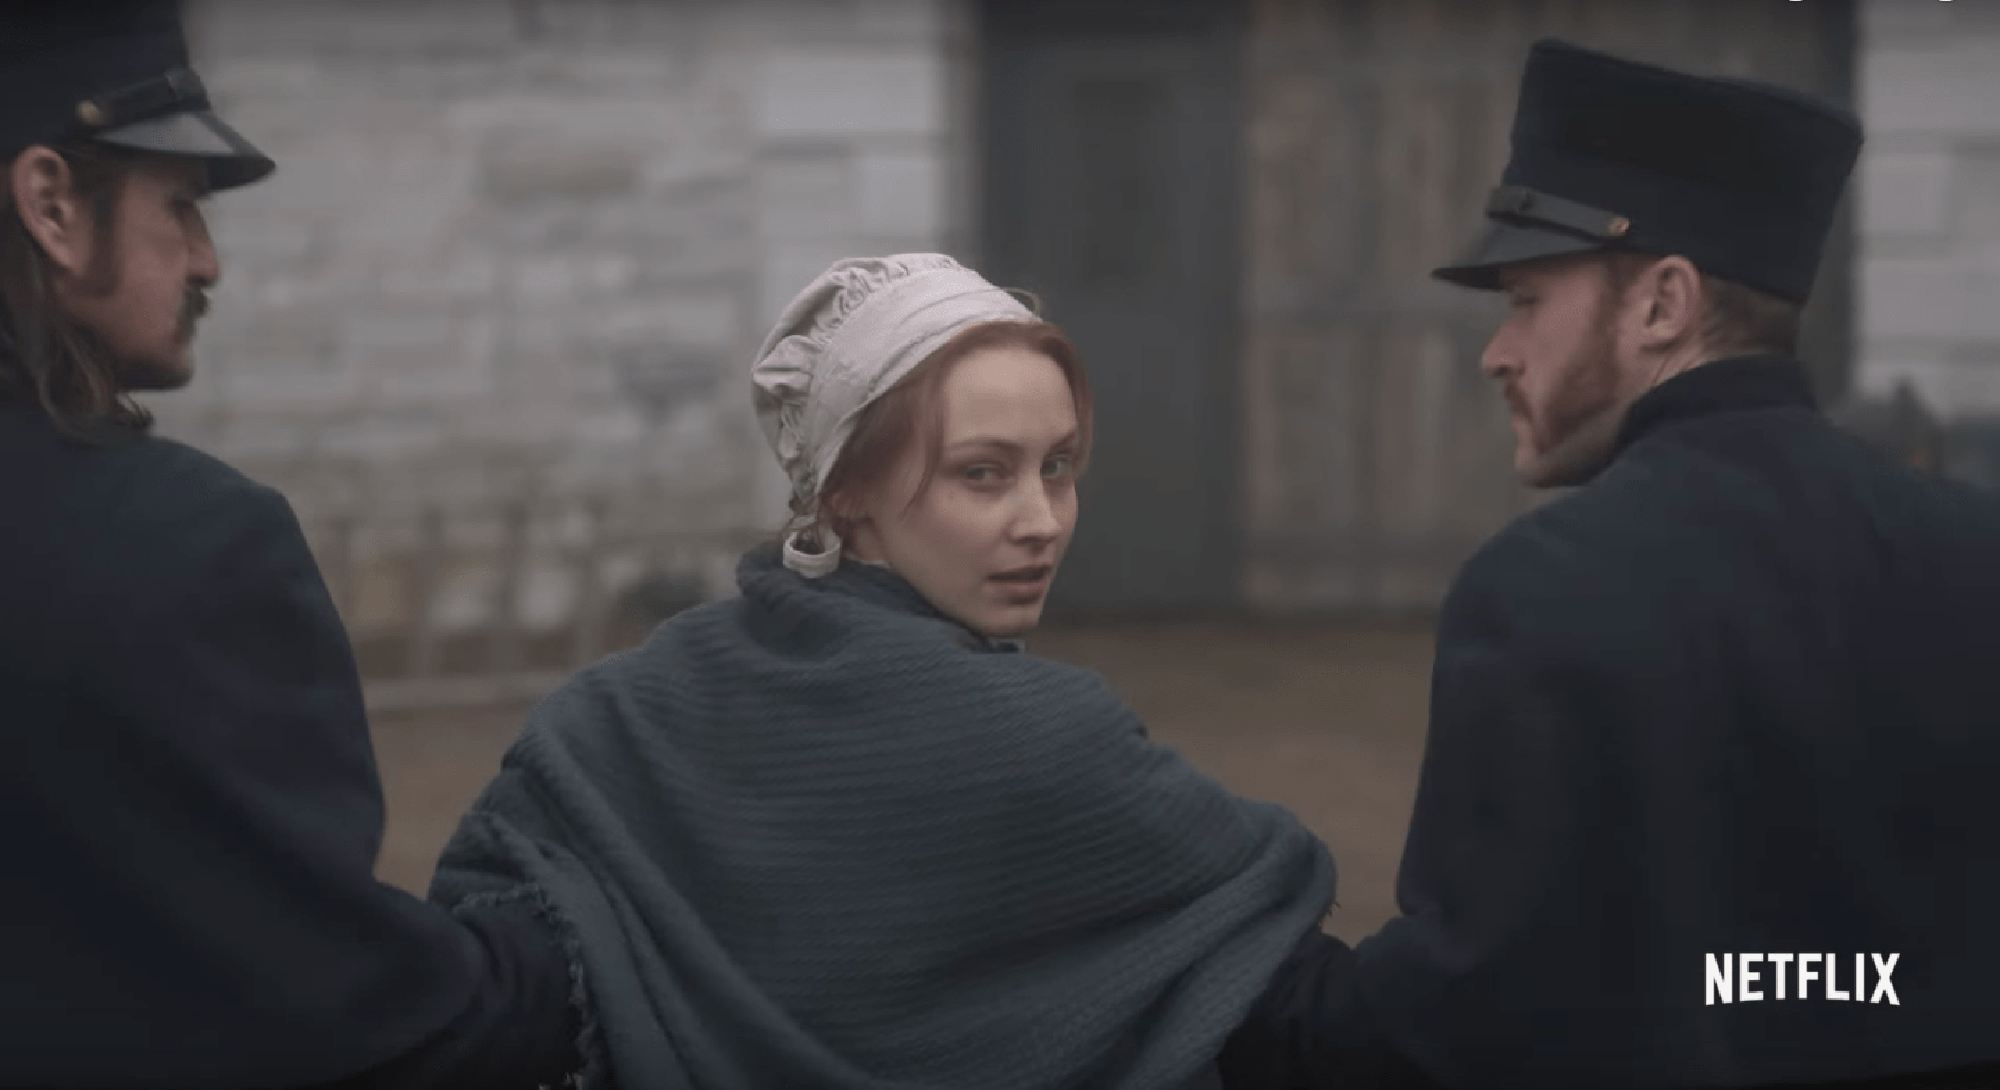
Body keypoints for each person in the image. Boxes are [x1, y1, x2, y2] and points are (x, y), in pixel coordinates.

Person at [1218, 39, 2000, 1090]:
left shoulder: (1547, 584)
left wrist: (1237, 986)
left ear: (1662, 304)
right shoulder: (1976, 546)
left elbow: (1465, 1019)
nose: (1497, 352)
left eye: (1525, 300)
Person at [430, 253, 1340, 1089]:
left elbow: (475, 989)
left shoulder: (614, 709)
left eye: (1058, 467)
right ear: (843, 487)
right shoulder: (1043, 737)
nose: (1042, 521)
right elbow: (1288, 981)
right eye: (983, 474)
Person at [0, 5, 582, 1086]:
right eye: (180, 205)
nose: (208, 261)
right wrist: (583, 952)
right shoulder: (188, 544)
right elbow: (343, 1017)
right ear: (51, 206)